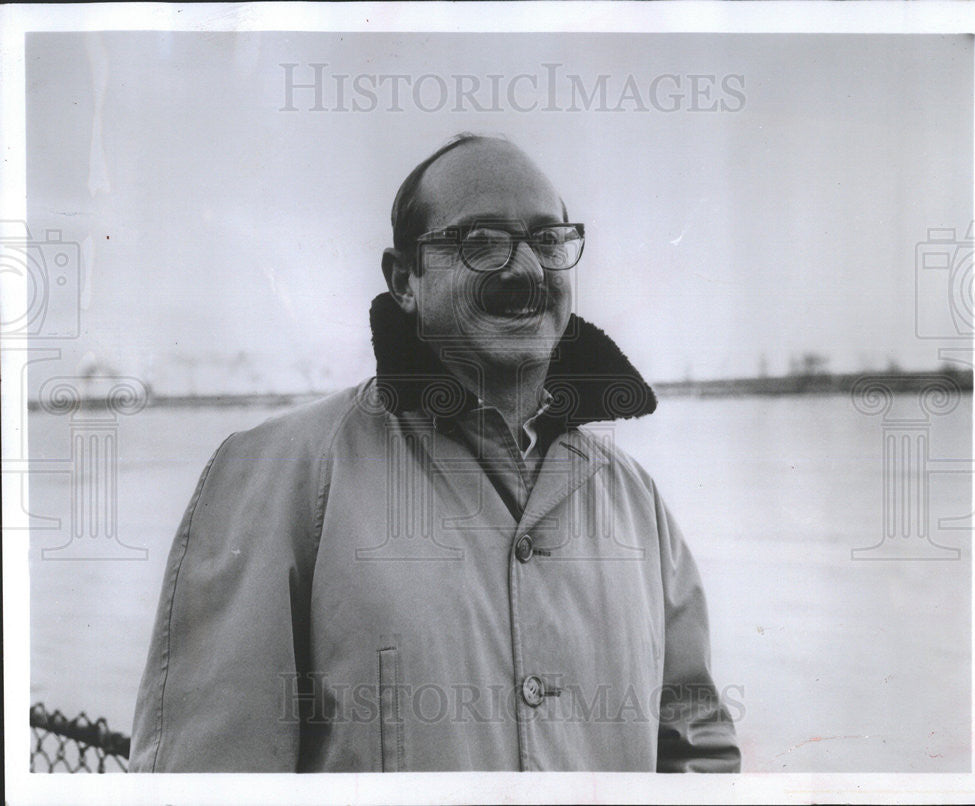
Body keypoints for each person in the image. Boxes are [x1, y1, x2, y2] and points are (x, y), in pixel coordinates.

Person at [129, 133, 740, 773]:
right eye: (480, 242)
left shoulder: (635, 499)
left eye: (549, 240)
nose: (526, 270)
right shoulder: (280, 474)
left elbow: (698, 750)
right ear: (405, 279)